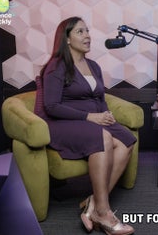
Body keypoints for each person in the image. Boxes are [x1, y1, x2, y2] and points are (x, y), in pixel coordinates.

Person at [38, 16, 135, 235]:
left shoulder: (94, 66)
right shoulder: (57, 66)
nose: (87, 36)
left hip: (93, 119)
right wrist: (90, 117)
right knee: (103, 138)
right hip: (62, 123)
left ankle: (92, 203)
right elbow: (52, 106)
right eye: (80, 32)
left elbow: (99, 97)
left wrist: (105, 114)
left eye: (88, 31)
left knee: (127, 140)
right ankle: (103, 211)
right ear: (67, 39)